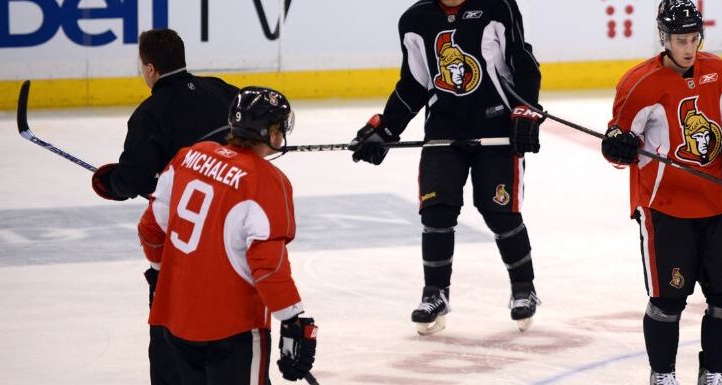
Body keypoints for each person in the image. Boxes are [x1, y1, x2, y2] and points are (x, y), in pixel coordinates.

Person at [346, 0, 545, 335]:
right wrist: (386, 127)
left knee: (500, 211)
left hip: (496, 129)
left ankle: (524, 287)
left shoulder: (497, 7)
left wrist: (526, 110)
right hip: (444, 132)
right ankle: (435, 293)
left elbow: (523, 65)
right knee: (436, 211)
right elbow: (414, 83)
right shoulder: (414, 19)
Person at [600, 1, 722, 383]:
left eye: (694, 38)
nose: (688, 48)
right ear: (664, 38)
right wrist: (617, 147)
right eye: (680, 39)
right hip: (665, 208)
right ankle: (663, 375)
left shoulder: (721, 72)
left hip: (715, 204)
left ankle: (713, 374)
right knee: (667, 301)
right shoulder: (639, 83)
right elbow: (618, 143)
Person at [87, 28, 239, 385]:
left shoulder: (150, 113)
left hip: (184, 238)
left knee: (171, 330)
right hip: (232, 226)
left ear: (150, 68)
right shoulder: (222, 89)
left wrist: (111, 182)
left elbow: (136, 180)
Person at [138, 87, 317, 384]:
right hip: (232, 329)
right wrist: (292, 320)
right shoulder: (268, 181)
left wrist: (161, 275)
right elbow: (267, 265)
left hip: (174, 317)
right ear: (270, 131)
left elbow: (151, 229)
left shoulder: (189, 156)